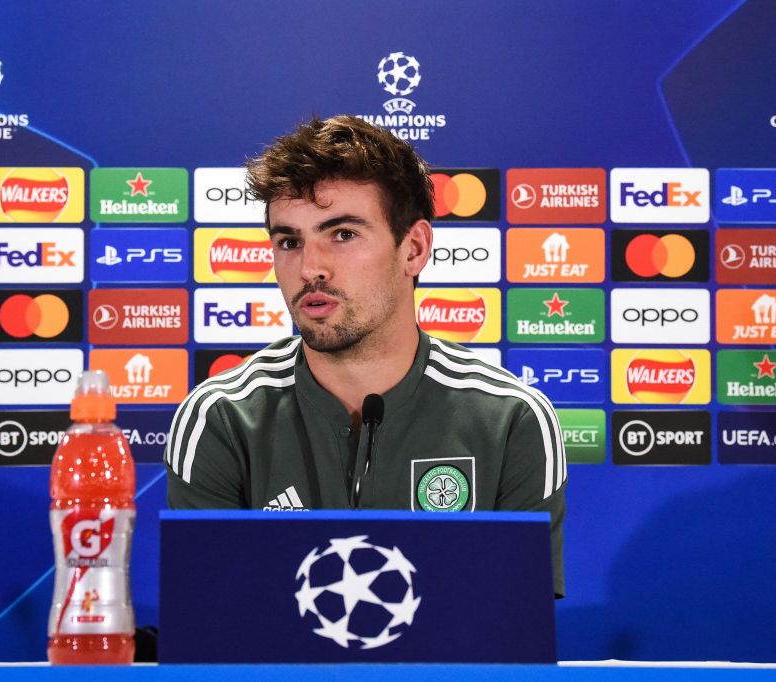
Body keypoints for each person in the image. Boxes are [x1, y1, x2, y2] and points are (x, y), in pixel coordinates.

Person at [165, 115, 566, 596]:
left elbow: (513, 625)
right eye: (289, 242)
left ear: (413, 249)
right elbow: (209, 620)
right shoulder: (221, 417)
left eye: (343, 235)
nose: (310, 268)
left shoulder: (512, 419)